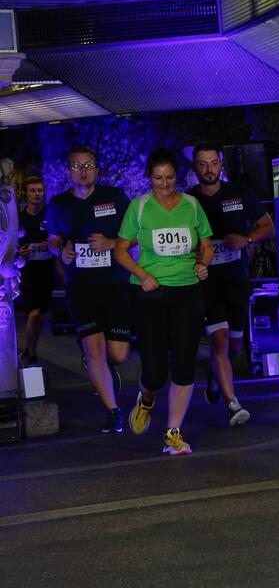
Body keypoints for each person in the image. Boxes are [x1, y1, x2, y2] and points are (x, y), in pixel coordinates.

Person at [115, 148, 213, 455]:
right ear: (150, 178)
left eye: (170, 177)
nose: (164, 184)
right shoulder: (140, 208)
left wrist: (203, 263)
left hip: (187, 291)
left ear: (178, 177)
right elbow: (119, 250)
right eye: (158, 178)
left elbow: (206, 245)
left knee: (184, 366)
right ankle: (146, 400)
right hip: (150, 293)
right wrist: (142, 274)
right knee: (155, 372)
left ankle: (173, 433)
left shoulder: (192, 206)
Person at [188, 142, 274, 426]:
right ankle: (232, 404)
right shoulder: (188, 201)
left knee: (233, 346)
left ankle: (215, 372)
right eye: (202, 164)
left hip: (236, 280)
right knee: (219, 341)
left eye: (213, 163)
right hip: (206, 282)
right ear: (195, 167)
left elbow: (267, 226)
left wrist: (247, 239)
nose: (209, 169)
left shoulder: (239, 193)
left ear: (221, 165)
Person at [46, 146, 130, 433]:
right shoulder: (58, 204)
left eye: (88, 165)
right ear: (68, 171)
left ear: (97, 169)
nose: (83, 171)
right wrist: (62, 252)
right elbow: (53, 240)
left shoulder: (115, 198)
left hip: (115, 284)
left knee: (117, 355)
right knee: (94, 352)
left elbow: (133, 236)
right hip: (81, 287)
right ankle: (113, 411)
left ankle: (105, 367)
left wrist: (112, 244)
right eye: (77, 166)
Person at [16, 176, 54, 365]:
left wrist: (52, 245)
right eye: (33, 190)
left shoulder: (50, 215)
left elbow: (60, 239)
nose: (37, 194)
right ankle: (31, 355)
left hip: (46, 270)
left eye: (39, 190)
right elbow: (12, 245)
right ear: (26, 193)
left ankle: (30, 347)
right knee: (34, 313)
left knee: (40, 315)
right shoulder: (20, 218)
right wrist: (20, 251)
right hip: (28, 271)